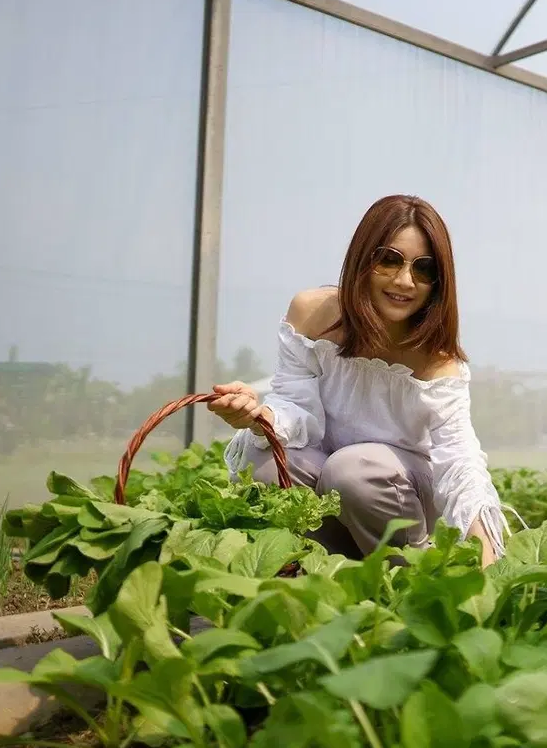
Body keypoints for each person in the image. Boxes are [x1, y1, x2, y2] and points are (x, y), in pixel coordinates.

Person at [210, 195, 508, 568]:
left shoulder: (436, 359)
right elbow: (294, 406)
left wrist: (487, 559)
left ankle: (408, 572)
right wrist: (256, 416)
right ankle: (319, 567)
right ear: (363, 259)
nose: (404, 281)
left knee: (352, 470)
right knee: (264, 457)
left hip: (398, 491)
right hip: (332, 481)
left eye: (424, 269)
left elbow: (458, 460)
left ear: (439, 281)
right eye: (389, 259)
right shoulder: (313, 314)